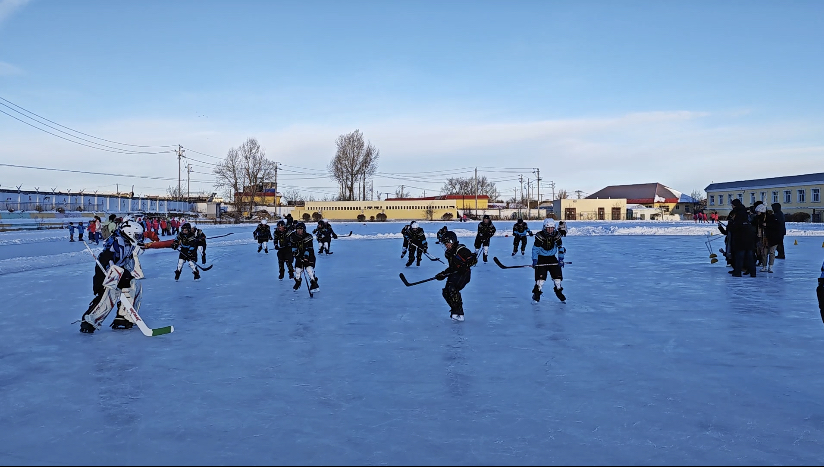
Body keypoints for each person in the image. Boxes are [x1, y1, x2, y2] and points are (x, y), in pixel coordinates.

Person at [79, 217, 146, 333]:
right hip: (106, 272)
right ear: (129, 233)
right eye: (137, 236)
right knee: (110, 293)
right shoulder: (116, 242)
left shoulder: (129, 243)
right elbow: (106, 259)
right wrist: (109, 272)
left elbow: (127, 260)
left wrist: (127, 273)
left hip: (120, 272)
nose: (139, 238)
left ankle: (123, 317)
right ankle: (90, 320)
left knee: (134, 285)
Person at [435, 231, 476, 321]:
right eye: (444, 244)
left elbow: (473, 259)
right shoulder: (449, 253)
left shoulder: (461, 250)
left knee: (452, 289)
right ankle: (455, 310)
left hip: (464, 274)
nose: (446, 246)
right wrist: (443, 274)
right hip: (454, 273)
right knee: (446, 292)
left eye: (447, 243)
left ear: (452, 241)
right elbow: (452, 267)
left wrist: (466, 264)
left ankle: (459, 312)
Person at [531, 219, 566, 303]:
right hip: (541, 258)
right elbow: (535, 249)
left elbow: (560, 248)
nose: (550, 230)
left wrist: (561, 259)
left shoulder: (557, 235)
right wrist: (535, 260)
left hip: (552, 257)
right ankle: (536, 295)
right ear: (544, 227)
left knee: (557, 277)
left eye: (552, 228)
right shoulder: (540, 235)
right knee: (541, 279)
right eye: (548, 228)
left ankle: (559, 291)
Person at [288, 222, 319, 292]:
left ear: (304, 230)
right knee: (298, 270)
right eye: (297, 229)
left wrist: (305, 256)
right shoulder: (293, 237)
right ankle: (298, 282)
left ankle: (314, 283)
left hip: (309, 256)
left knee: (309, 269)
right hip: (299, 256)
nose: (299, 231)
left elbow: (309, 248)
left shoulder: (308, 237)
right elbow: (293, 246)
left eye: (300, 229)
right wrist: (295, 253)